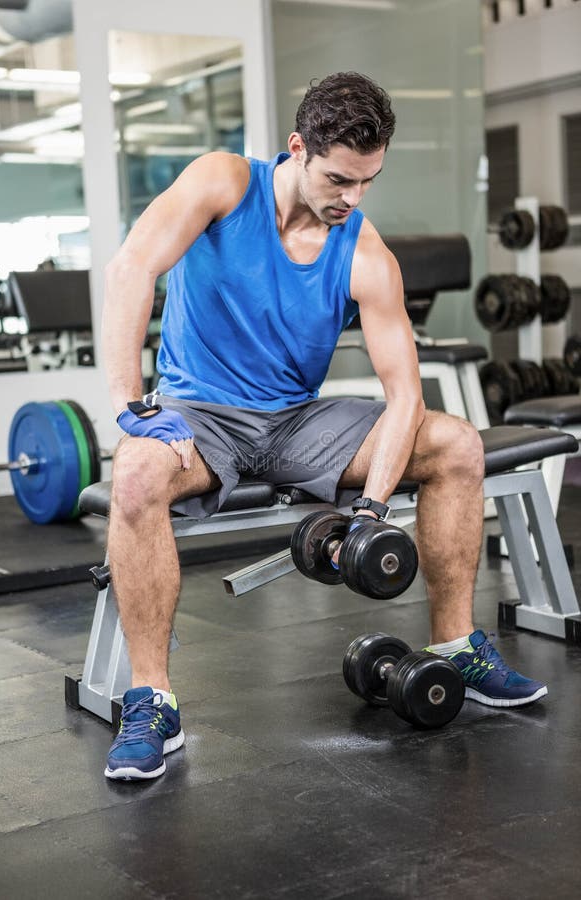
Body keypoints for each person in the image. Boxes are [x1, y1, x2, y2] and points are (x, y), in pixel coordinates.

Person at [101, 72, 547, 781]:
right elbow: (132, 267)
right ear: (297, 147)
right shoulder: (224, 183)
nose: (353, 198)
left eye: (368, 181)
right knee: (136, 472)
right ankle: (151, 700)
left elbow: (403, 396)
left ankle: (456, 643)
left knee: (456, 441)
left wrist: (370, 509)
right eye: (339, 178)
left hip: (299, 421)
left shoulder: (362, 249)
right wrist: (132, 406)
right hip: (203, 412)